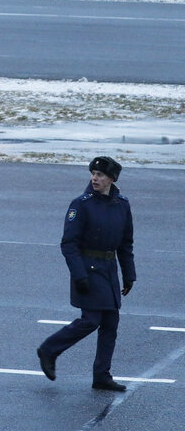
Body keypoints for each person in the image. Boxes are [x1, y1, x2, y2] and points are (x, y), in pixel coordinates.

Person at [37, 156, 136, 392]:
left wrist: (129, 274)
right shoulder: (81, 204)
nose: (94, 178)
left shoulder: (122, 204)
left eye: (100, 175)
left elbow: (125, 243)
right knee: (91, 320)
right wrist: (79, 275)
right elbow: (69, 244)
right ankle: (49, 349)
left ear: (111, 178)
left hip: (109, 270)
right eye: (93, 173)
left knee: (110, 323)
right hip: (88, 269)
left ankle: (102, 375)